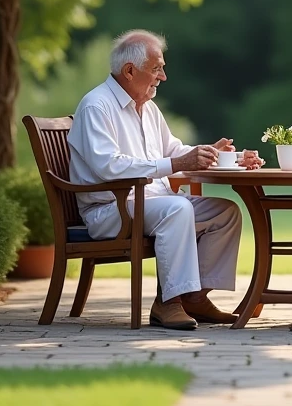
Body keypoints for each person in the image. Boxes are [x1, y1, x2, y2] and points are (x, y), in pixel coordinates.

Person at [67, 29, 263, 330]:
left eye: (163, 68)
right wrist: (176, 162)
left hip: (150, 203)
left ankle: (194, 298)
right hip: (111, 209)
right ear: (129, 71)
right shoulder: (97, 106)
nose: (163, 76)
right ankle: (168, 304)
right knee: (177, 209)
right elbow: (109, 167)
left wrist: (225, 157)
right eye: (156, 68)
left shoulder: (148, 108)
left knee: (225, 211)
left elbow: (174, 151)